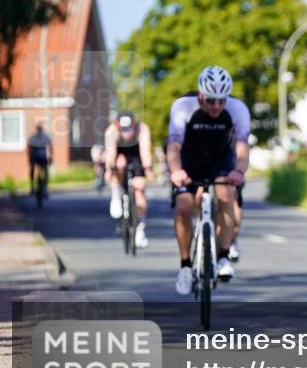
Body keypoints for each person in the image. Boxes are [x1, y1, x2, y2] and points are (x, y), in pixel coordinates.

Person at [167, 66, 250, 295]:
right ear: (200, 95)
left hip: (220, 158)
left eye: (221, 101)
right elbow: (174, 146)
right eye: (210, 100)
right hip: (189, 159)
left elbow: (242, 148)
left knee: (226, 195)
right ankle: (185, 266)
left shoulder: (237, 109)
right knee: (184, 205)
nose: (216, 106)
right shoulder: (183, 106)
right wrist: (176, 171)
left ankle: (223, 256)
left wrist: (239, 172)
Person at [104, 112, 155, 247]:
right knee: (119, 164)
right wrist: (109, 169)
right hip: (119, 154)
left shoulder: (142, 129)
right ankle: (116, 194)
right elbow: (111, 153)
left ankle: (140, 229)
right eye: (123, 129)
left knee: (139, 188)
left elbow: (145, 151)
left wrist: (148, 169)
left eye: (129, 129)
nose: (127, 133)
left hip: (136, 154)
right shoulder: (111, 131)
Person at [27, 122, 53, 197]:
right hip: (34, 157)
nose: (39, 130)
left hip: (42, 157)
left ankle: (45, 188)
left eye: (40, 129)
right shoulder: (32, 138)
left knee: (45, 171)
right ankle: (32, 187)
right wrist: (29, 158)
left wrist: (51, 157)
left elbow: (51, 146)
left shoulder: (46, 137)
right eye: (38, 129)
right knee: (32, 169)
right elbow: (29, 148)